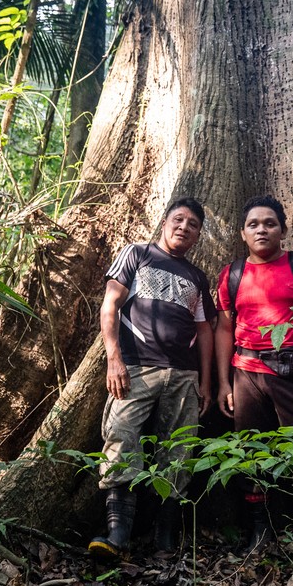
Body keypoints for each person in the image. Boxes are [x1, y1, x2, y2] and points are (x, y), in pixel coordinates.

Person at [89, 197, 216, 560]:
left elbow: (205, 331)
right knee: (121, 437)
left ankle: (165, 537)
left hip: (183, 375)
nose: (185, 227)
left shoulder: (197, 277)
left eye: (193, 225)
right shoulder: (137, 254)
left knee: (178, 450)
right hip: (136, 368)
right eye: (179, 219)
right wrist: (113, 360)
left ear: (197, 236)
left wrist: (205, 382)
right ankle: (118, 533)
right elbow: (110, 305)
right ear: (164, 222)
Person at [214, 196, 293, 551]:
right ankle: (261, 530)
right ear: (243, 234)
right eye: (254, 224)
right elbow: (224, 329)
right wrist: (224, 382)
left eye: (269, 223)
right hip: (247, 372)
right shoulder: (232, 274)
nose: (262, 229)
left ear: (283, 229)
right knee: (252, 452)